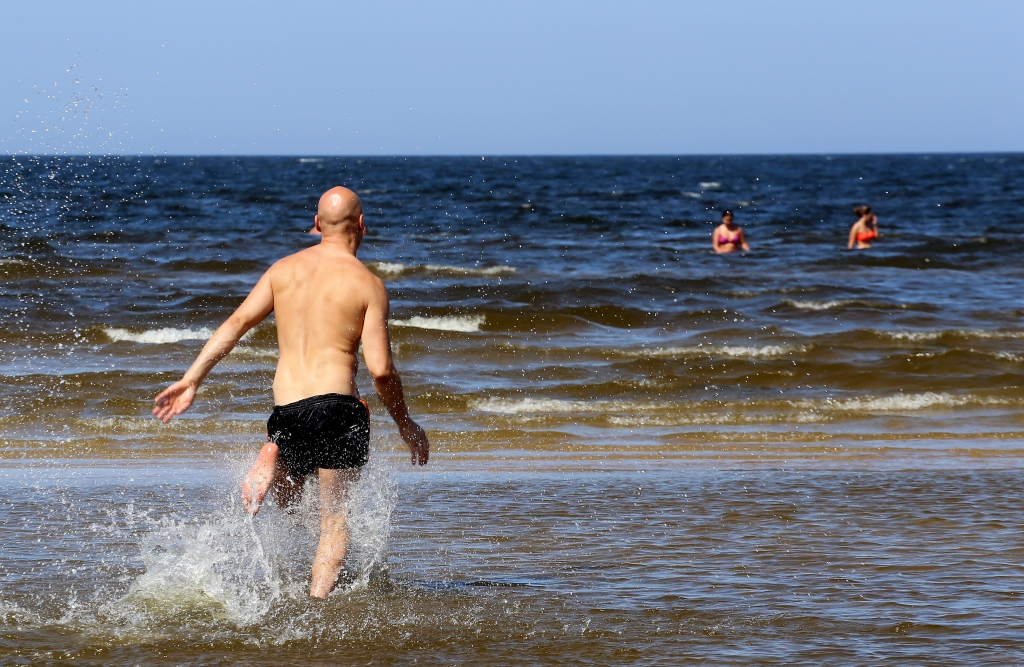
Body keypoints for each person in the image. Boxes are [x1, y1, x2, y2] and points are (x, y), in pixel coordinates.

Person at [152, 186, 429, 598]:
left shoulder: (282, 270)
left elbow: (237, 323)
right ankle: (317, 609)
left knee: (291, 501)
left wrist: (192, 379)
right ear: (362, 226)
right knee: (333, 521)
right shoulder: (368, 284)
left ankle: (273, 448)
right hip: (337, 408)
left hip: (286, 412)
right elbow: (381, 371)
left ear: (316, 225)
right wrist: (406, 425)